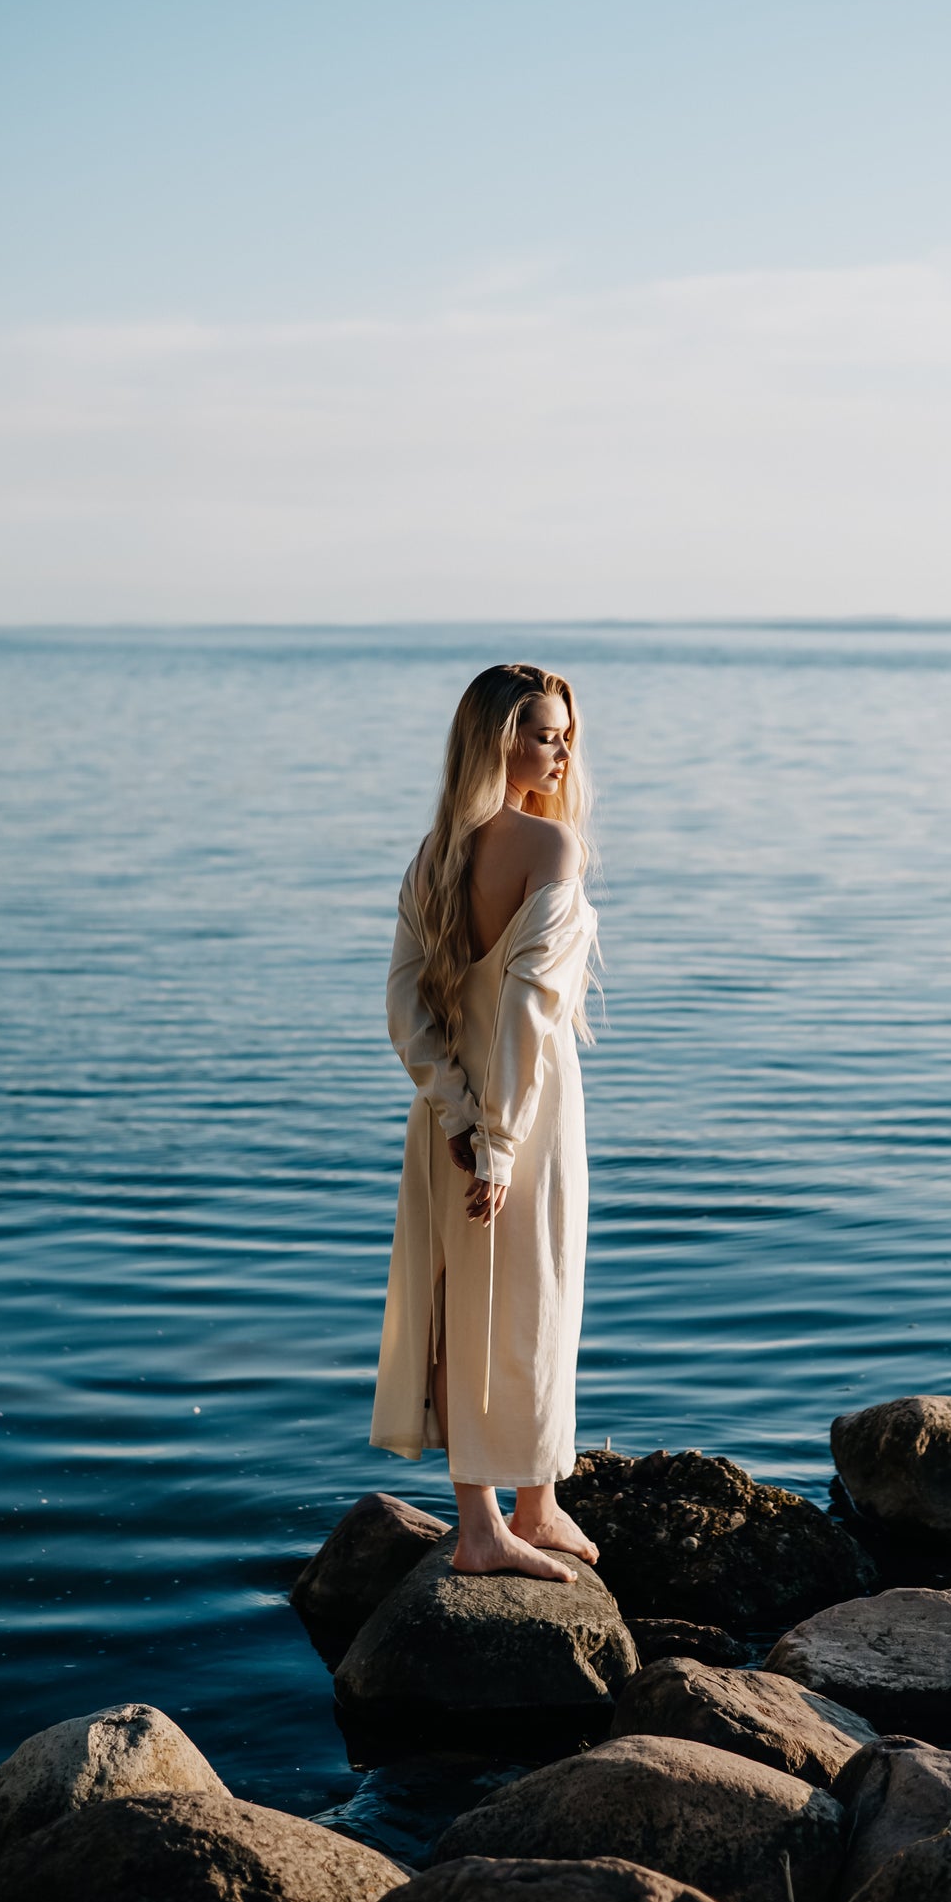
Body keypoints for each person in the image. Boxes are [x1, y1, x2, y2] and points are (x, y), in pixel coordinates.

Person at [369, 663, 601, 1582]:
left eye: (564, 732)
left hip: (447, 1113)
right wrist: (498, 1138)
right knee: (521, 1299)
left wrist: (457, 1115)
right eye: (545, 733)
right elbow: (527, 1014)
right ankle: (479, 1530)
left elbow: (404, 1009)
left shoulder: (434, 852)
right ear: (498, 739)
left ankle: (535, 1499)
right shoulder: (550, 849)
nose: (562, 749)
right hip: (525, 1112)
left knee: (486, 1302)